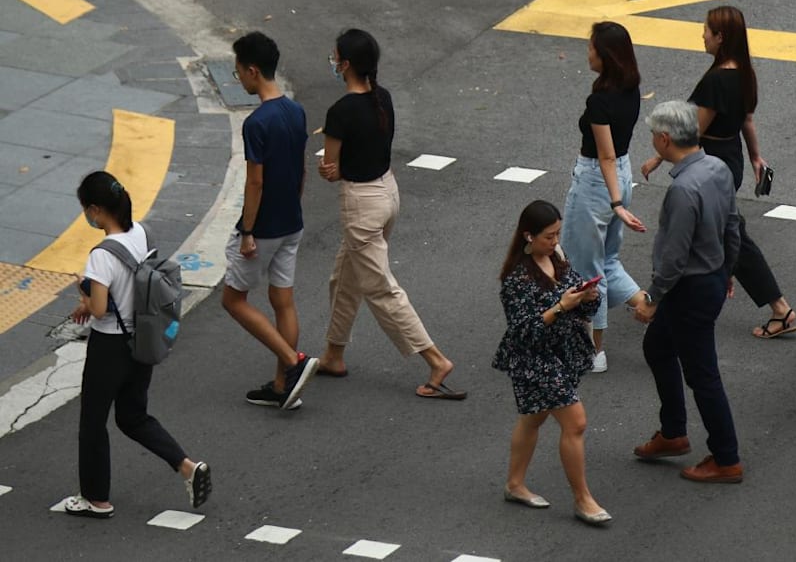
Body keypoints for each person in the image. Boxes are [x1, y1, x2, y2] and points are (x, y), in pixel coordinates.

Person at [316, 28, 466, 399]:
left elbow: (331, 168)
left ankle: (435, 360)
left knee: (381, 288)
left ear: (346, 64)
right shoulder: (383, 98)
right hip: (388, 195)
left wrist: (327, 168)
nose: (332, 63)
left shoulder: (340, 112)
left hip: (361, 204)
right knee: (345, 278)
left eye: (335, 57)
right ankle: (334, 354)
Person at [642, 6, 796, 338]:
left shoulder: (717, 80)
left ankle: (780, 308)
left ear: (720, 37)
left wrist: (659, 158)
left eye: (706, 30)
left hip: (710, 159)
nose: (702, 35)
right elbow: (747, 120)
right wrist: (756, 156)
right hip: (732, 157)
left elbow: (693, 131)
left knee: (712, 232)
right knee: (719, 230)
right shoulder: (744, 72)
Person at [62, 171, 211, 518]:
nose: (86, 216)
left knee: (93, 422)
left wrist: (85, 291)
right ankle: (186, 466)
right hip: (141, 341)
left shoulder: (101, 256)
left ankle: (96, 499)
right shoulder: (142, 232)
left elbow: (100, 309)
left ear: (97, 210)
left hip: (109, 347)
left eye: (86, 209)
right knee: (133, 416)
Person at [632, 100, 744, 483]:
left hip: (687, 289)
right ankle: (673, 432)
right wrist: (726, 271)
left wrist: (652, 298)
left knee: (703, 374)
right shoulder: (718, 168)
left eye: (653, 136)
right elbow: (733, 226)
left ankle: (726, 457)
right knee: (657, 347)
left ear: (665, 139)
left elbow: (674, 257)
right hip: (711, 278)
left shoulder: (682, 189)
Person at [493, 200, 610, 526]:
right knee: (576, 422)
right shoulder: (516, 279)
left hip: (563, 353)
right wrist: (561, 306)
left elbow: (581, 306)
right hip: (535, 361)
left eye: (557, 234)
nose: (555, 242)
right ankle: (582, 499)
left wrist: (588, 297)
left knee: (533, 419)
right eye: (548, 236)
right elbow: (524, 331)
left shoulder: (557, 259)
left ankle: (515, 484)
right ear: (528, 236)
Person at [221, 31, 319, 411]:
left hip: (262, 229)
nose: (238, 79)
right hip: (292, 221)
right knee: (283, 301)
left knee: (234, 300)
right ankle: (282, 387)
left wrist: (247, 231)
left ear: (252, 70)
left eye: (238, 73)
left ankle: (293, 364)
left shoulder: (256, 123)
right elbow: (300, 168)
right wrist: (294, 205)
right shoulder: (296, 112)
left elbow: (255, 181)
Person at [560, 22, 647, 374]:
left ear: (605, 55)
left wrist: (615, 205)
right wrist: (619, 199)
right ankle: (645, 303)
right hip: (621, 176)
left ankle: (594, 352)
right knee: (607, 259)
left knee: (585, 268)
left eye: (592, 46)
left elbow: (604, 156)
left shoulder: (599, 101)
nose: (588, 52)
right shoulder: (631, 89)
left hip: (598, 182)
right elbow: (616, 157)